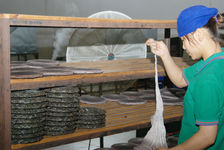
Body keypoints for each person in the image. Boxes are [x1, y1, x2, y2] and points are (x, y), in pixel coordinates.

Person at [146, 5, 224, 150]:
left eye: (184, 39)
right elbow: (180, 80)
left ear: (199, 34)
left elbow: (207, 136)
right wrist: (164, 54)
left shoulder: (207, 79)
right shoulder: (214, 63)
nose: (183, 47)